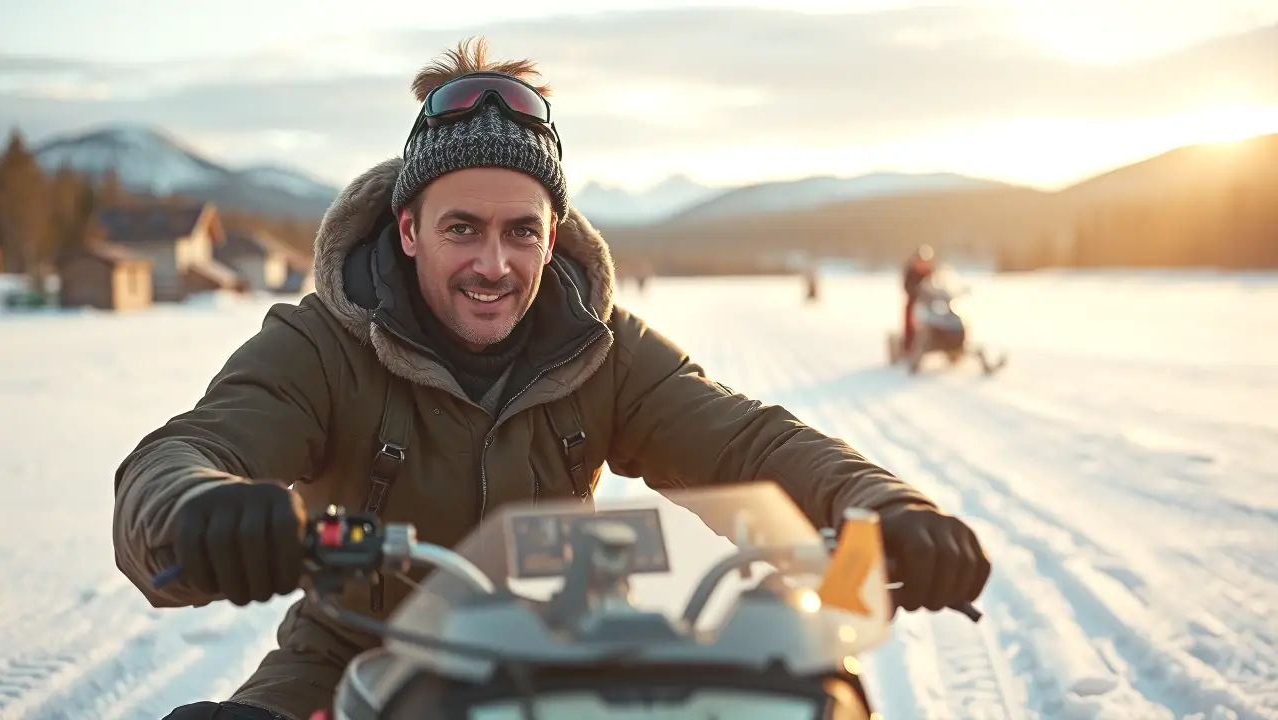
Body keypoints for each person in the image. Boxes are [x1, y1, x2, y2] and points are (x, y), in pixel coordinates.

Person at [114, 39, 991, 720]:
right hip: (355, 657)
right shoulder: (320, 345)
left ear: (553, 231)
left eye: (521, 232)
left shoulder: (600, 346)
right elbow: (184, 453)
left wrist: (884, 507)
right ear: (409, 228)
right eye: (463, 229)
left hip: (560, 658)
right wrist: (201, 509)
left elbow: (747, 440)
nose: (495, 265)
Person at [901, 244, 936, 352]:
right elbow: (907, 287)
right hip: (916, 301)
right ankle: (909, 343)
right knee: (910, 314)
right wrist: (916, 292)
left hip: (932, 302)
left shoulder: (931, 272)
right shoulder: (911, 271)